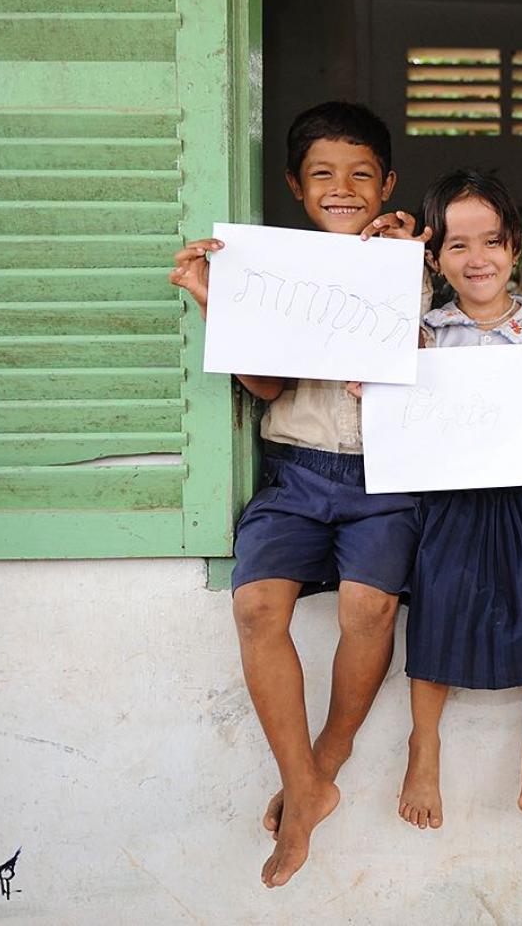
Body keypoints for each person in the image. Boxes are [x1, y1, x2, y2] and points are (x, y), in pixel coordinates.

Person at [168, 101, 430, 888]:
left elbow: (439, 368)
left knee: (369, 607)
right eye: (323, 175)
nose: (342, 189)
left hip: (385, 476)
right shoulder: (268, 273)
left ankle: (325, 762)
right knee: (254, 607)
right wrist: (216, 299)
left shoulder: (412, 264)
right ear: (295, 185)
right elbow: (268, 382)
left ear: (387, 183)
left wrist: (404, 264)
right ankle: (307, 783)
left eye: (360, 175)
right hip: (296, 469)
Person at [396, 169, 522, 831]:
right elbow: (396, 416)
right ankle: (424, 745)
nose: (477, 259)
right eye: (457, 246)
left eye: (492, 242)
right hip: (452, 496)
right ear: (435, 258)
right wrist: (383, 387)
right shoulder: (420, 332)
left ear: (515, 246)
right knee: (439, 595)